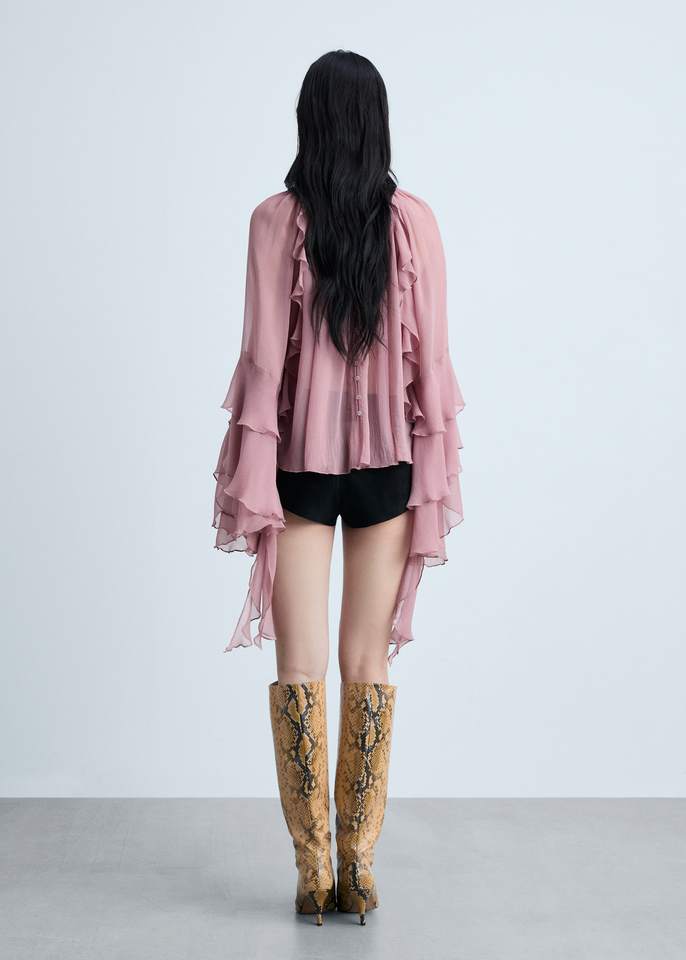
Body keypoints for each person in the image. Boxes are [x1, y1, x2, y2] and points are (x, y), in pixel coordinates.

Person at [211, 50, 465, 925]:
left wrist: (246, 463)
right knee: (368, 663)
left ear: (309, 122)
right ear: (376, 124)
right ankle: (358, 865)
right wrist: (434, 461)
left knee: (299, 666)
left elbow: (260, 356)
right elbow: (434, 363)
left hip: (298, 467)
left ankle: (314, 869)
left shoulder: (273, 220)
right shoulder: (415, 222)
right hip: (391, 466)